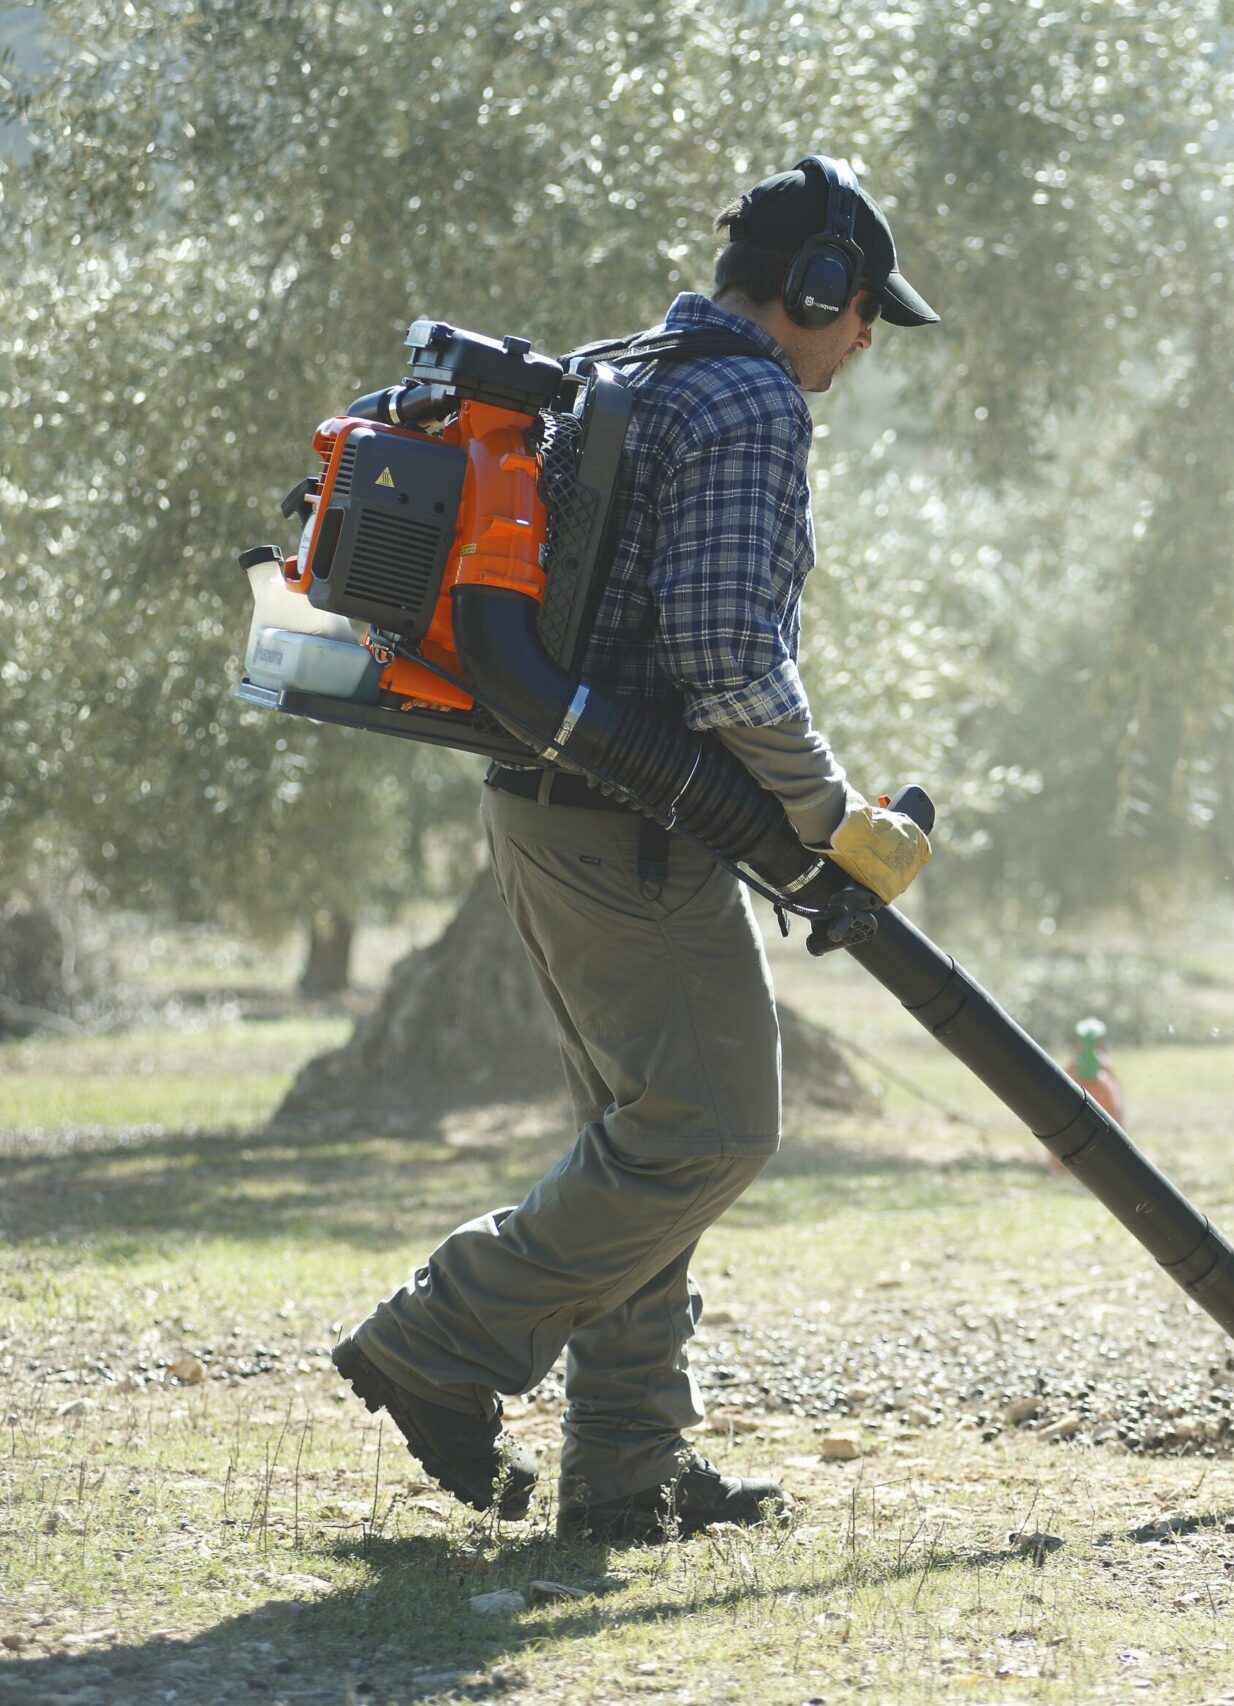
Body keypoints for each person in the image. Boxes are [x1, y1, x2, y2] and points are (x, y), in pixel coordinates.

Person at [329, 156, 936, 1544]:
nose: (862, 344)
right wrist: (833, 815)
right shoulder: (748, 395)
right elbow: (726, 663)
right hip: (631, 829)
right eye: (863, 316)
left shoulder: (633, 365)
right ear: (820, 288)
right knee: (711, 1129)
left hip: (550, 804)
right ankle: (440, 1337)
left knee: (648, 1130)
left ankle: (626, 1470)